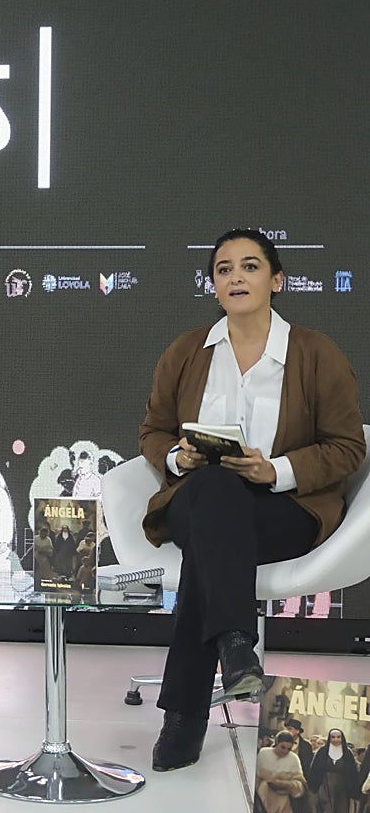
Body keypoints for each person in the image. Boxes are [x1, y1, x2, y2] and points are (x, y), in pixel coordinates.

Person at [139, 229, 366, 772]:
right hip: (197, 501)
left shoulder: (316, 353)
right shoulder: (187, 351)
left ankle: (184, 716)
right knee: (214, 487)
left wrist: (276, 469)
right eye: (223, 269)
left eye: (249, 266)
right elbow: (152, 434)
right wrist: (178, 459)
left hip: (283, 510)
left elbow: (348, 447)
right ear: (213, 285)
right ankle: (237, 642)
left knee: (211, 546)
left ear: (277, 279)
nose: (236, 277)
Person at [257, 731, 308, 813]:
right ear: (276, 743)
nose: (285, 751)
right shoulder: (264, 753)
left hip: (282, 802)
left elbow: (301, 785)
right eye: (282, 747)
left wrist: (283, 784)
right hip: (263, 798)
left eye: (289, 749)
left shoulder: (293, 758)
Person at [309, 729, 358, 813]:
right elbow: (314, 769)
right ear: (329, 738)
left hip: (342, 788)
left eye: (338, 737)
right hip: (324, 786)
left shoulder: (347, 753)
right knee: (325, 808)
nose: (336, 739)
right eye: (333, 737)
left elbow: (352, 772)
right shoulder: (322, 751)